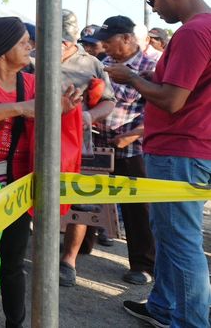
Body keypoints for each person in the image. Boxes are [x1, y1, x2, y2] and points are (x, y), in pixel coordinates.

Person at [0, 17, 83, 328]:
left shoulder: (32, 82)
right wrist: (21, 108)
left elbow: (49, 123)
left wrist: (62, 110)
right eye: (23, 41)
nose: (30, 46)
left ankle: (15, 323)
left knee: (12, 261)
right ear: (2, 48)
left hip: (20, 187)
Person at [107, 0, 211, 328]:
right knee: (170, 238)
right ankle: (164, 307)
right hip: (187, 147)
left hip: (180, 149)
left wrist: (132, 77)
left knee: (181, 244)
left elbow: (171, 100)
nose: (153, 8)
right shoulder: (201, 30)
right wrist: (147, 77)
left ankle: (191, 321)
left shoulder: (194, 33)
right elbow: (183, 87)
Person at [93, 15, 157, 285]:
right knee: (87, 196)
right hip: (97, 142)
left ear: (128, 39)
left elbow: (158, 110)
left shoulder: (152, 66)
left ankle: (143, 265)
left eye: (109, 41)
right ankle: (78, 250)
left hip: (131, 149)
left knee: (137, 209)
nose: (105, 47)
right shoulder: (102, 65)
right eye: (103, 42)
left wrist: (131, 137)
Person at [58, 9, 116, 288]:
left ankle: (68, 261)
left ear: (70, 42)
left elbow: (108, 101)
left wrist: (89, 116)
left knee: (80, 203)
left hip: (80, 143)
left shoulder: (92, 64)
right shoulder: (32, 61)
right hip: (35, 142)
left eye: (60, 41)